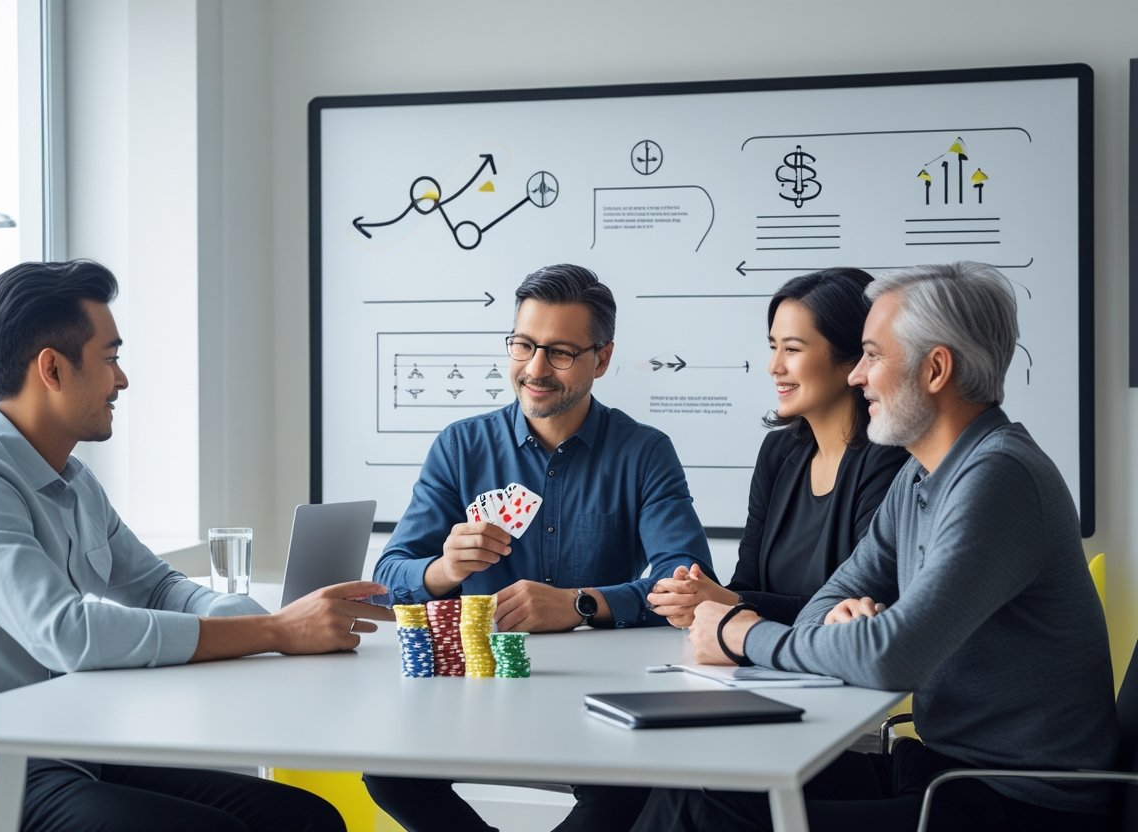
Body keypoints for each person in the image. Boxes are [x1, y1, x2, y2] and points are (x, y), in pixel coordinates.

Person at [631, 261, 1118, 831]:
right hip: (940, 772)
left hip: (1015, 804)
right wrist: (843, 630)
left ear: (936, 369)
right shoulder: (920, 473)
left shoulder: (999, 477)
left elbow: (890, 656)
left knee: (707, 811)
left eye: (873, 354)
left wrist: (740, 631)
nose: (857, 376)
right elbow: (825, 604)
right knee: (704, 783)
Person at [0, 260, 394, 832]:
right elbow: (66, 634)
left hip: (66, 752)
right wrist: (275, 633)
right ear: (52, 368)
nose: (122, 380)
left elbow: (157, 585)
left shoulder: (72, 481)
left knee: (304, 819)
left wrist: (261, 626)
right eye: (110, 359)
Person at [366, 263, 713, 832]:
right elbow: (389, 577)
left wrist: (579, 603)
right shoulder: (460, 447)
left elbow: (686, 585)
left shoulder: (645, 452)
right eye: (523, 344)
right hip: (478, 694)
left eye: (559, 353)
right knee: (385, 773)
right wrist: (444, 569)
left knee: (643, 783)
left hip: (598, 696)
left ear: (601, 359)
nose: (534, 369)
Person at [647, 268, 907, 628]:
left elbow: (860, 610)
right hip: (759, 667)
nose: (774, 366)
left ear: (853, 357)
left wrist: (729, 602)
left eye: (792, 349)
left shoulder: (892, 459)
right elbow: (746, 586)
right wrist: (696, 599)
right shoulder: (778, 451)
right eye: (773, 347)